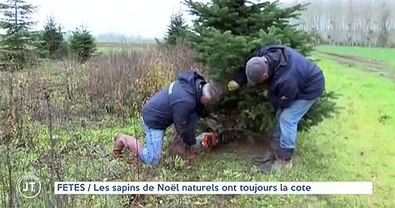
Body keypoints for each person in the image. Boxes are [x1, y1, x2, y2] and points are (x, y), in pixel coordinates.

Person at [227, 44, 325, 173]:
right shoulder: (263, 53)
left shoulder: (286, 79)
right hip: (297, 81)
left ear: (265, 76)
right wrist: (239, 80)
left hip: (311, 87)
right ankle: (275, 150)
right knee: (280, 115)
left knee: (287, 118)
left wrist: (269, 95)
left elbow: (283, 102)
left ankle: (285, 160)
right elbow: (251, 63)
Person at [112, 70, 221, 166]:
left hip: (170, 111)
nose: (208, 106)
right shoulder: (185, 101)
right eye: (208, 103)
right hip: (154, 119)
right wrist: (194, 143)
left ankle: (178, 150)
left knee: (194, 115)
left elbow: (198, 110)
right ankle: (123, 139)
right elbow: (181, 127)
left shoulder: (196, 84)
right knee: (153, 160)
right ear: (203, 98)